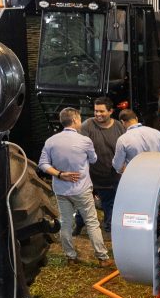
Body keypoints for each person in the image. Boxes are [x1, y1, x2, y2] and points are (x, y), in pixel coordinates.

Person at [38, 108, 113, 267]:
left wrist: (59, 174)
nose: (80, 122)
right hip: (81, 189)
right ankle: (102, 258)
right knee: (92, 222)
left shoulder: (51, 141)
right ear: (74, 120)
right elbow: (93, 159)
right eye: (79, 119)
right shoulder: (84, 141)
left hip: (61, 189)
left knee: (65, 222)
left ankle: (70, 257)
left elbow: (43, 164)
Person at [76, 97, 124, 237]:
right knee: (83, 204)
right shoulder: (87, 126)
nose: (98, 114)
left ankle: (109, 230)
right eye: (96, 111)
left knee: (110, 204)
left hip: (111, 176)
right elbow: (79, 148)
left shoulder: (119, 127)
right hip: (90, 175)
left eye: (101, 111)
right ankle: (79, 225)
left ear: (110, 111)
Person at [112, 110, 160, 174]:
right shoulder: (157, 133)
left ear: (122, 122)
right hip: (157, 175)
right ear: (136, 118)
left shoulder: (122, 140)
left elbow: (118, 165)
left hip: (136, 177)